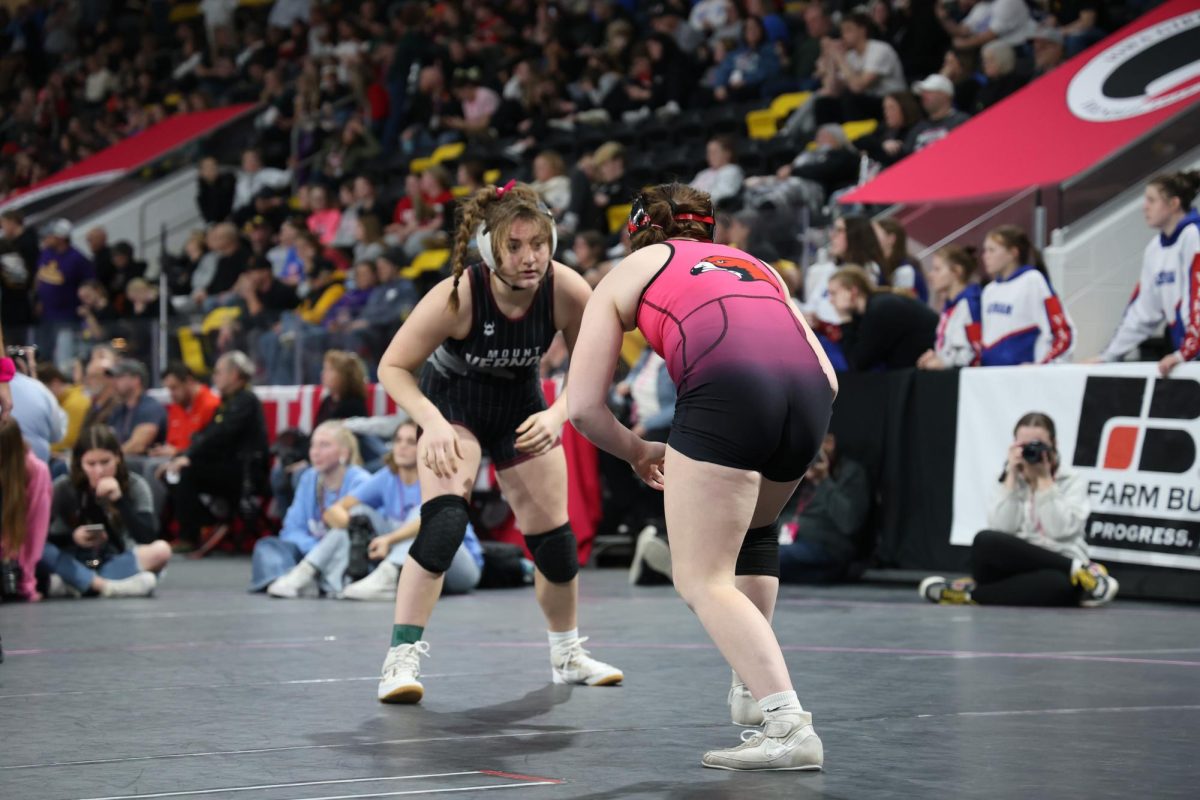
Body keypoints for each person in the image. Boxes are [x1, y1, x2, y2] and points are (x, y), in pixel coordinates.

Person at [568, 182, 838, 770]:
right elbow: (826, 371)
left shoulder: (629, 269)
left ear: (639, 229)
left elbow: (583, 407)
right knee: (755, 531)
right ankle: (750, 688)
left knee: (701, 577)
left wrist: (638, 450)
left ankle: (787, 723)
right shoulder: (757, 264)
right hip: (811, 396)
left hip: (729, 388)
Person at [373, 179, 623, 704]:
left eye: (539, 244)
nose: (530, 258)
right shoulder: (458, 294)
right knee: (443, 526)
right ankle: (399, 660)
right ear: (490, 248)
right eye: (515, 246)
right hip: (454, 406)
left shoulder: (568, 289)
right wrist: (432, 421)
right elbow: (393, 366)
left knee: (555, 544)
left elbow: (595, 365)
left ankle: (567, 655)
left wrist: (558, 414)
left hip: (522, 408)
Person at [920, 412, 1118, 607]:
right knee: (985, 540)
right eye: (1024, 446)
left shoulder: (1072, 480)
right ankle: (1080, 570)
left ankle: (969, 594)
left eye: (1038, 445)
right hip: (1015, 564)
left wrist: (1044, 482)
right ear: (1014, 446)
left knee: (1060, 587)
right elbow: (1001, 529)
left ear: (1054, 445)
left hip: (1057, 561)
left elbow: (1060, 531)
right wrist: (1011, 480)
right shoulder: (1006, 477)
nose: (1031, 451)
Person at [324, 421, 482, 600]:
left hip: (458, 567)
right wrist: (356, 526)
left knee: (426, 513)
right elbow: (333, 511)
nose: (401, 447)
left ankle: (388, 576)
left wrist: (388, 540)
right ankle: (310, 572)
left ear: (427, 446)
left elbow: (432, 522)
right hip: (412, 562)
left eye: (410, 442)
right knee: (360, 512)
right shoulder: (387, 476)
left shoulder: (441, 477)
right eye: (398, 441)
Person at [41, 425, 171, 598]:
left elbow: (147, 538)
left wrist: (119, 501)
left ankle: (77, 585)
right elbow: (39, 537)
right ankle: (105, 586)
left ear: (117, 458)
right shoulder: (64, 487)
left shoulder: (135, 485)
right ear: (80, 463)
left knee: (161, 550)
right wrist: (73, 537)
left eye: (105, 462)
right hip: (76, 560)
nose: (99, 471)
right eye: (91, 464)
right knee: (40, 551)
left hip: (113, 559)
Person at [1095, 171, 1200, 377]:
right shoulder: (1154, 248)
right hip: (1188, 354)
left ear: (1173, 204)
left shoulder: (1194, 236)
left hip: (1191, 353)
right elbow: (1142, 312)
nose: (1145, 206)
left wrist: (1185, 353)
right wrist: (1108, 355)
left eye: (1152, 200)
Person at [163, 352, 269, 550]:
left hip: (246, 473)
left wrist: (188, 458)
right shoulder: (228, 402)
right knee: (173, 471)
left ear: (235, 374)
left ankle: (191, 534)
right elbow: (207, 434)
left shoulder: (245, 400)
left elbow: (219, 436)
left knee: (186, 472)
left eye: (219, 372)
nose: (214, 377)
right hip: (230, 467)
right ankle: (211, 519)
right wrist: (183, 455)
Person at [255, 421, 372, 596]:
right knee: (267, 545)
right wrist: (314, 549)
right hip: (307, 551)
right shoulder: (309, 478)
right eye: (313, 445)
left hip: (341, 555)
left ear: (344, 453)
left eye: (324, 445)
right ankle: (291, 580)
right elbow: (292, 528)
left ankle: (300, 582)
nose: (315, 452)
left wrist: (320, 553)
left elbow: (359, 533)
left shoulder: (361, 481)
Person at [778, 434, 871, 583]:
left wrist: (823, 480)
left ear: (829, 443)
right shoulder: (795, 473)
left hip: (824, 547)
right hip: (786, 546)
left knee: (764, 559)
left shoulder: (850, 473)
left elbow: (849, 523)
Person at [979, 225, 1076, 366]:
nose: (985, 256)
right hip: (992, 376)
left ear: (1013, 253)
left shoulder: (1032, 280)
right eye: (985, 250)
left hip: (1023, 376)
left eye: (992, 250)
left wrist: (1042, 364)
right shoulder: (989, 290)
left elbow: (1062, 331)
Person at [826, 266, 939, 371]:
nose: (831, 300)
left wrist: (845, 319)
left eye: (834, 293)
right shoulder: (870, 309)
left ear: (853, 292)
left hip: (932, 367)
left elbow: (857, 362)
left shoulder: (880, 309)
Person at [0, 417, 51, 601]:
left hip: (18, 555)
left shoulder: (37, 472)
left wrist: (27, 583)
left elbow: (35, 533)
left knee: (50, 555)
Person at [803, 215, 885, 324]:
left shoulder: (870, 269)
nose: (832, 235)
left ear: (856, 235)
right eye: (833, 229)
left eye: (839, 230)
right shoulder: (831, 269)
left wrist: (821, 325)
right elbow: (811, 306)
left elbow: (850, 317)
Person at [917, 245, 983, 369]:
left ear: (957, 272)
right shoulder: (950, 306)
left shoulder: (971, 304)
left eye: (937, 269)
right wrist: (936, 356)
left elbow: (975, 351)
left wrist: (943, 362)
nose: (931, 275)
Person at [153, 362, 221, 457]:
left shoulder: (211, 406)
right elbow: (172, 443)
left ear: (189, 381)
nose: (171, 394)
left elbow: (210, 448)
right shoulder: (176, 406)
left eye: (174, 388)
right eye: (169, 389)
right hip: (174, 462)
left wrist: (177, 452)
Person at [107, 359, 168, 456]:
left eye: (119, 377)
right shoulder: (119, 410)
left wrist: (109, 457)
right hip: (124, 464)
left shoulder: (150, 407)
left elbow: (137, 446)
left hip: (143, 467)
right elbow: (107, 439)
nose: (114, 382)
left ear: (136, 380)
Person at [874, 218, 927, 302]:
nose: (871, 238)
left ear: (891, 239)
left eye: (875, 234)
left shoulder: (906, 270)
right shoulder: (880, 267)